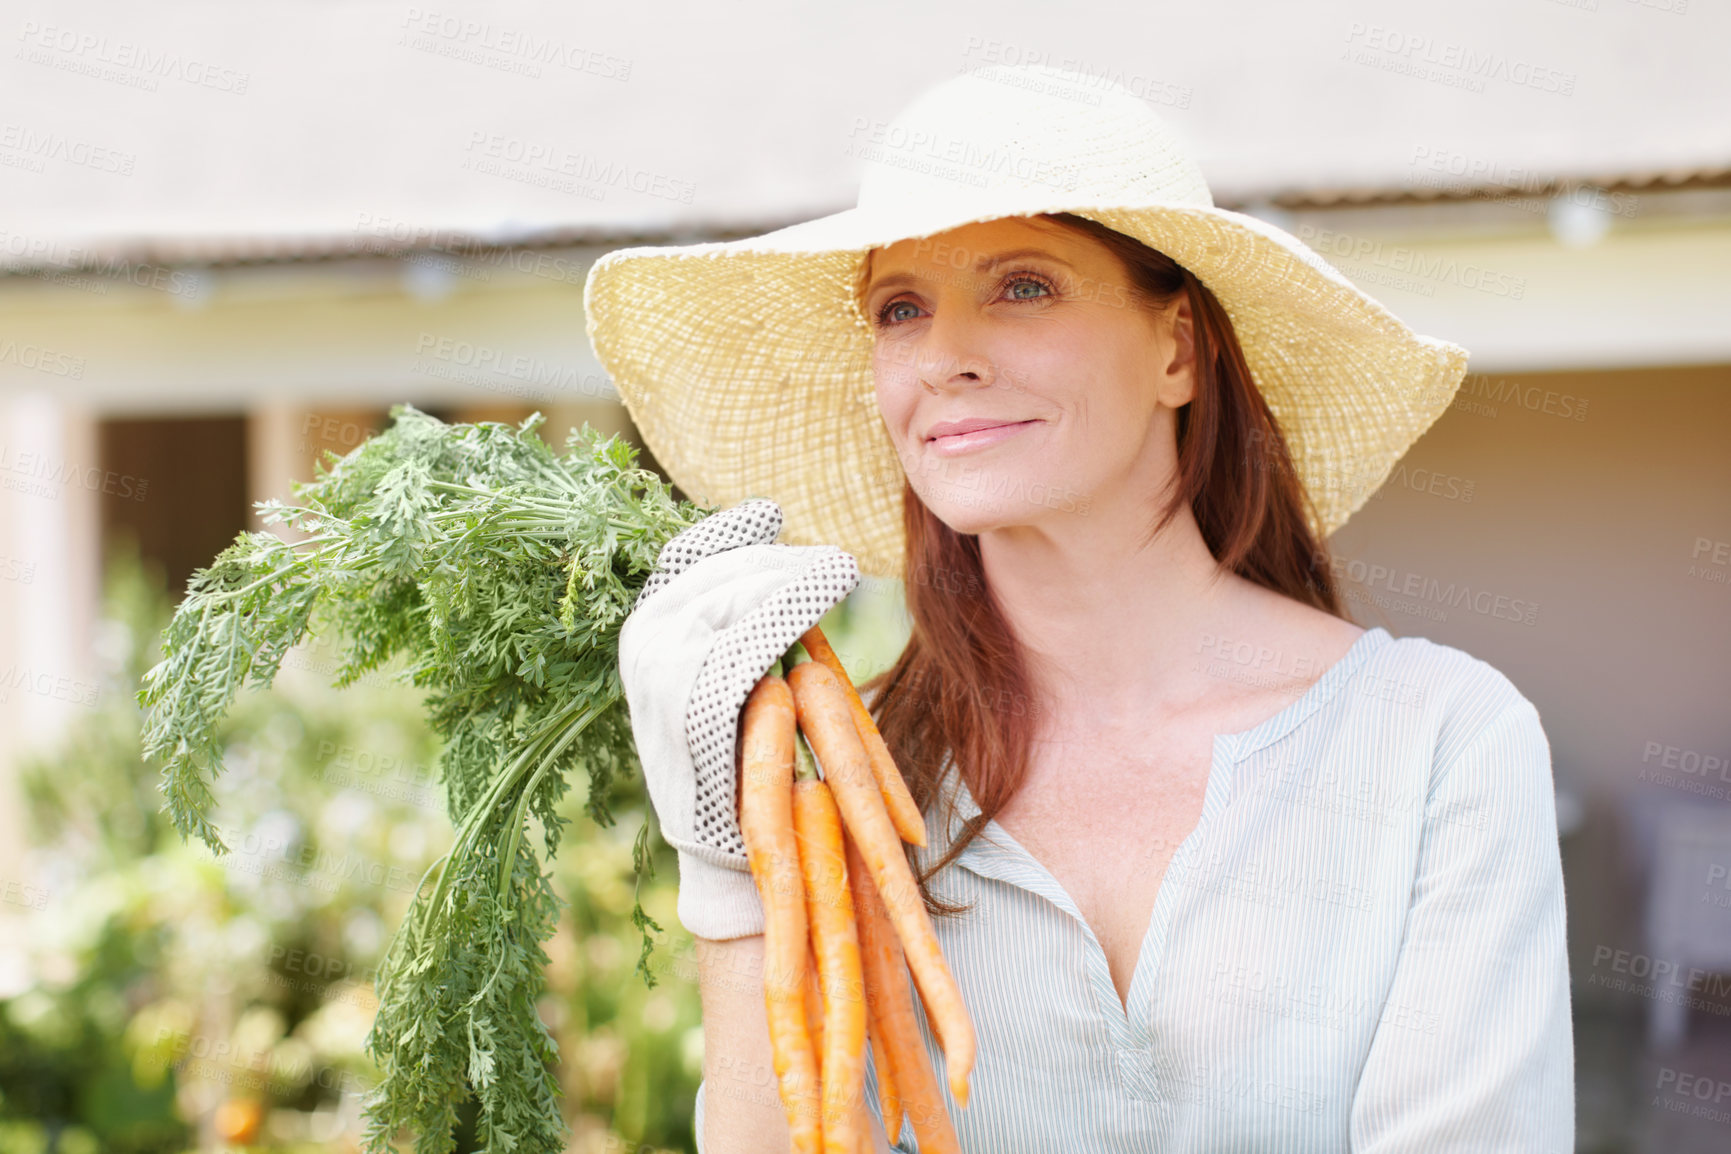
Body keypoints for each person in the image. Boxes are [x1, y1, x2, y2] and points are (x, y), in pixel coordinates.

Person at [590, 63, 1573, 1153]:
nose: (945, 357)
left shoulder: (1439, 741)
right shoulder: (855, 778)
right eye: (899, 308)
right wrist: (733, 869)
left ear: (1178, 345)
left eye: (1023, 286)